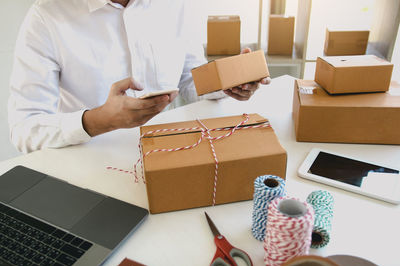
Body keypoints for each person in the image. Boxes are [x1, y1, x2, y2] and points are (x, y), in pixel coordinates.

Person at [8, 0, 270, 153]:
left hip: (172, 150)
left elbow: (188, 81)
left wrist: (227, 83)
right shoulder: (47, 16)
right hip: (90, 164)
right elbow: (23, 129)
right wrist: (99, 120)